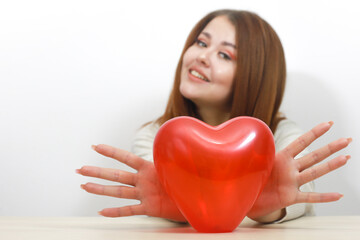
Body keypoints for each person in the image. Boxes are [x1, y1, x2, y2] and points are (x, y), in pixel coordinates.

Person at [76, 9, 351, 224]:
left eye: (224, 54)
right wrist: (180, 204)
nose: (202, 56)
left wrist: (267, 208)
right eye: (200, 42)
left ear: (254, 76)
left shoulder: (280, 134)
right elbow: (163, 198)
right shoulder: (156, 136)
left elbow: (299, 195)